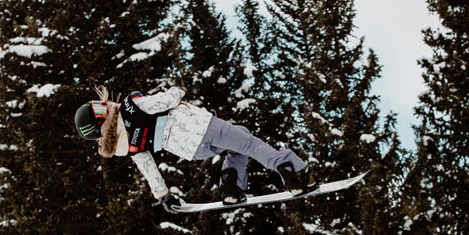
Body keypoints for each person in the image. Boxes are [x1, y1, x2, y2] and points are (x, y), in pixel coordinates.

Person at [74, 84, 316, 210]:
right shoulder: (131, 105)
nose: (104, 104)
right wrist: (175, 90)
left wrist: (164, 196)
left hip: (191, 149)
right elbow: (170, 99)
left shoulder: (128, 147)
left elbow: (149, 169)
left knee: (240, 137)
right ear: (100, 117)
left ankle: (231, 187)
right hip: (200, 126)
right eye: (98, 107)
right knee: (250, 144)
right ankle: (294, 173)